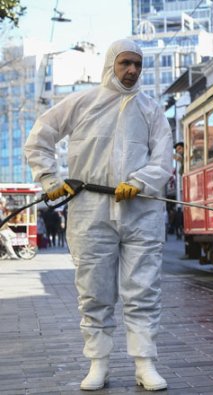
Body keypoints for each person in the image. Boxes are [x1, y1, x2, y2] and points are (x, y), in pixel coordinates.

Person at [24, 39, 172, 391]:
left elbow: (163, 160)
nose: (132, 70)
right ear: (111, 64)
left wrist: (139, 181)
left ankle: (144, 363)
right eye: (125, 63)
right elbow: (39, 138)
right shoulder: (82, 103)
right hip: (90, 212)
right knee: (94, 291)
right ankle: (98, 364)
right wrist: (50, 178)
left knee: (143, 289)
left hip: (142, 212)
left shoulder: (151, 110)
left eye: (137, 64)